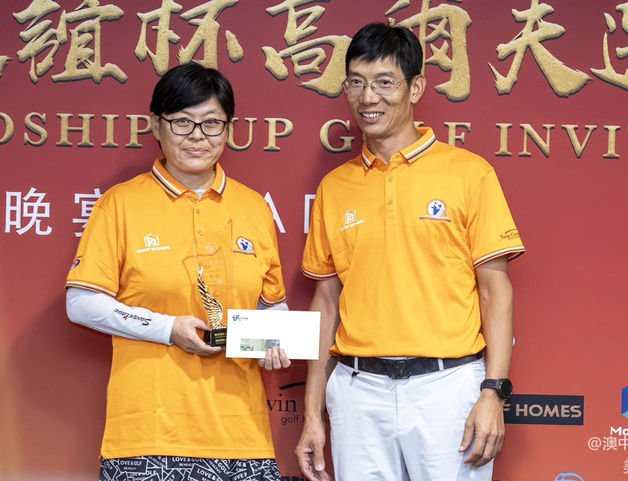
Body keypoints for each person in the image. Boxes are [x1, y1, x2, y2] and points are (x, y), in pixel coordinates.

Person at [295, 23, 525, 481]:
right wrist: (312, 413)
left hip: (448, 388)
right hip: (358, 393)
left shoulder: (469, 173)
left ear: (415, 87)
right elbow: (326, 302)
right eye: (356, 82)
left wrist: (492, 392)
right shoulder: (334, 187)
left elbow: (494, 289)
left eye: (384, 82)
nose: (368, 97)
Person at [66, 62, 290, 481]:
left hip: (242, 437)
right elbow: (81, 303)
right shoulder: (120, 204)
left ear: (229, 129)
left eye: (211, 123)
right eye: (182, 122)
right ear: (157, 125)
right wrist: (167, 329)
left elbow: (271, 306)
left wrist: (272, 341)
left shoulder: (254, 208)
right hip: (147, 439)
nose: (197, 136)